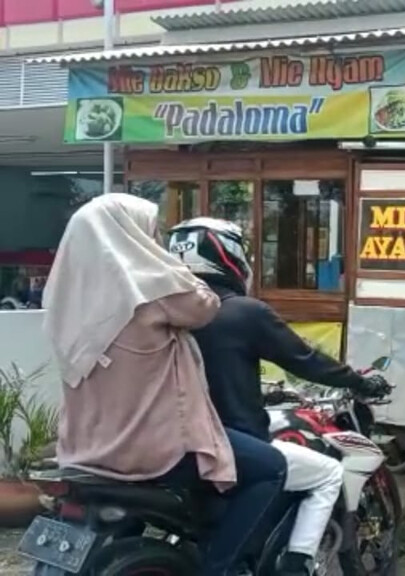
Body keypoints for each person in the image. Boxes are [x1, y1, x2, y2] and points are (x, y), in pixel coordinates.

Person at [42, 194, 288, 576]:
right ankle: (218, 568)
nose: (154, 241)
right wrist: (169, 262)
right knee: (269, 466)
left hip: (85, 448)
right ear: (128, 235)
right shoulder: (150, 292)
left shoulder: (64, 300)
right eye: (150, 232)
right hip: (147, 446)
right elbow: (205, 305)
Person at [166, 217, 388, 576]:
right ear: (230, 256)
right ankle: (296, 565)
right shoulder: (243, 312)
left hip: (167, 442)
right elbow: (306, 360)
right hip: (227, 442)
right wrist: (360, 383)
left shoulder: (165, 313)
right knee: (328, 473)